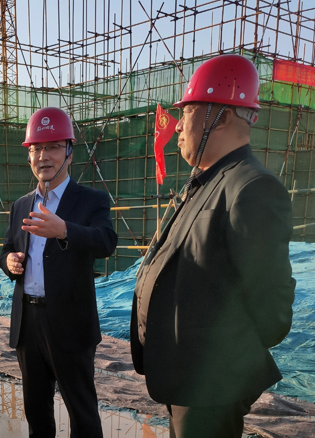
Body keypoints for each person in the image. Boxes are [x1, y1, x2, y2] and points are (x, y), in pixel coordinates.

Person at [131, 54, 296, 437]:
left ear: (220, 117)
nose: (178, 126)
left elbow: (272, 306)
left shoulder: (251, 187)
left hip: (211, 385)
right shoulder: (207, 181)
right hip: (185, 376)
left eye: (186, 112)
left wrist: (224, 360)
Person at [0, 107, 117, 437]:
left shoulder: (90, 200)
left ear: (69, 152)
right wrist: (10, 262)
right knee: (36, 411)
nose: (43, 156)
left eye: (52, 147)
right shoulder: (21, 205)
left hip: (70, 322)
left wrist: (64, 230)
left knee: (82, 412)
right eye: (36, 148)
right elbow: (6, 250)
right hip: (29, 322)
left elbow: (106, 242)